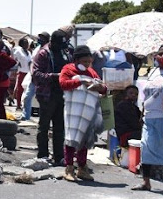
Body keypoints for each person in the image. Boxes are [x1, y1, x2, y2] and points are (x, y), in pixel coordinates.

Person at [59, 45, 107, 181]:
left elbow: (104, 87)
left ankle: (82, 168)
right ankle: (69, 168)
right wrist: (80, 81)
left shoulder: (92, 72)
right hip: (73, 111)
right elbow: (63, 84)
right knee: (71, 139)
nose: (87, 64)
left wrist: (100, 87)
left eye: (89, 61)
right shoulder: (68, 69)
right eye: (84, 61)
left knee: (85, 140)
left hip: (88, 112)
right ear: (77, 60)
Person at [133, 45, 163, 191]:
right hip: (150, 117)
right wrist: (142, 111)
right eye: (160, 54)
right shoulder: (153, 71)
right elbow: (146, 95)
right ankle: (146, 182)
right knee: (146, 148)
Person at [33, 30, 71, 164]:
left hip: (62, 94)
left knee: (59, 127)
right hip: (46, 95)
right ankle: (43, 154)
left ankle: (59, 156)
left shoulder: (64, 52)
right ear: (52, 42)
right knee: (44, 126)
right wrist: (55, 76)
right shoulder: (43, 53)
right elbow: (36, 75)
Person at [21, 32, 50, 121]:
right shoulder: (37, 49)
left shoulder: (48, 50)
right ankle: (26, 117)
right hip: (33, 77)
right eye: (39, 37)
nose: (39, 40)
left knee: (43, 100)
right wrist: (32, 72)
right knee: (27, 97)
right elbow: (32, 62)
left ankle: (44, 120)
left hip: (43, 78)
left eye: (42, 38)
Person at [13, 37, 31, 111]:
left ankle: (24, 104)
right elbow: (14, 59)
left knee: (26, 89)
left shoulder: (29, 52)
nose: (27, 45)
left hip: (28, 72)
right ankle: (18, 105)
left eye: (27, 43)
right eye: (25, 43)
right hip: (21, 72)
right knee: (19, 89)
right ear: (22, 44)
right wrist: (17, 63)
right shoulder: (18, 51)